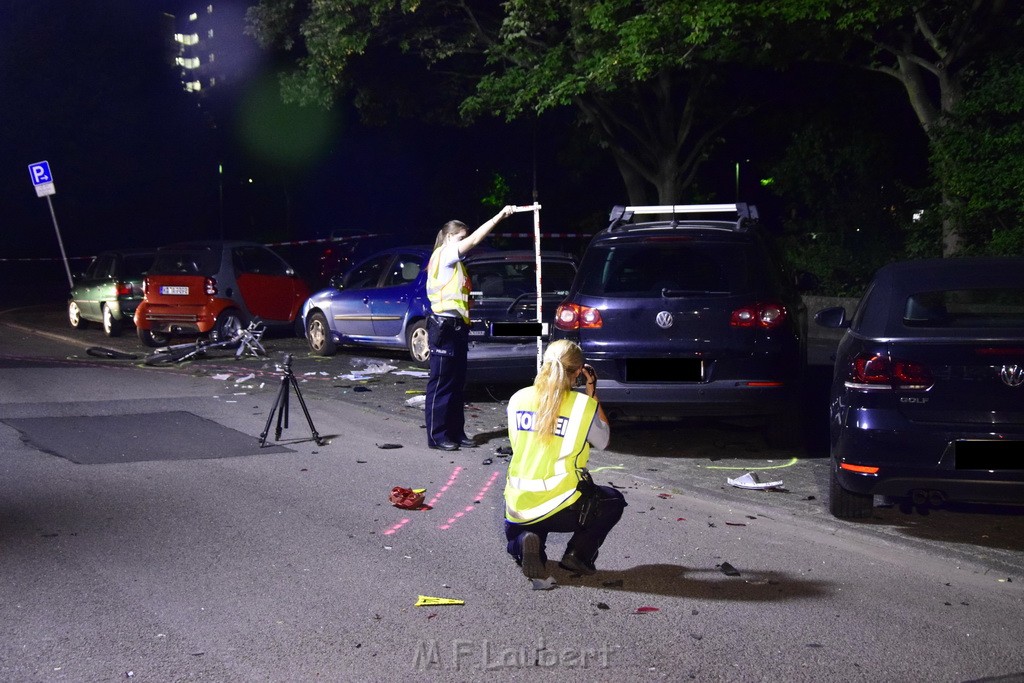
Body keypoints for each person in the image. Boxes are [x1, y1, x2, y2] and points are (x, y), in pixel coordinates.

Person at [503, 340, 627, 578]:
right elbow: (603, 440)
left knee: (519, 538)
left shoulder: (518, 398)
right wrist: (592, 391)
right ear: (579, 371)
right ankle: (578, 555)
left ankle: (526, 543)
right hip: (564, 505)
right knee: (613, 501)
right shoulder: (582, 406)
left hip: (518, 503)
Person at [424, 205, 517, 451]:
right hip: (443, 326)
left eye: (464, 238)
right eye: (461, 238)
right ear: (448, 237)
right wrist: (500, 216)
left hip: (456, 327)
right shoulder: (444, 254)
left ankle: (455, 432)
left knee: (456, 383)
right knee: (442, 383)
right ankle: (437, 436)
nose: (465, 242)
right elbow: (477, 238)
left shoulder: (455, 263)